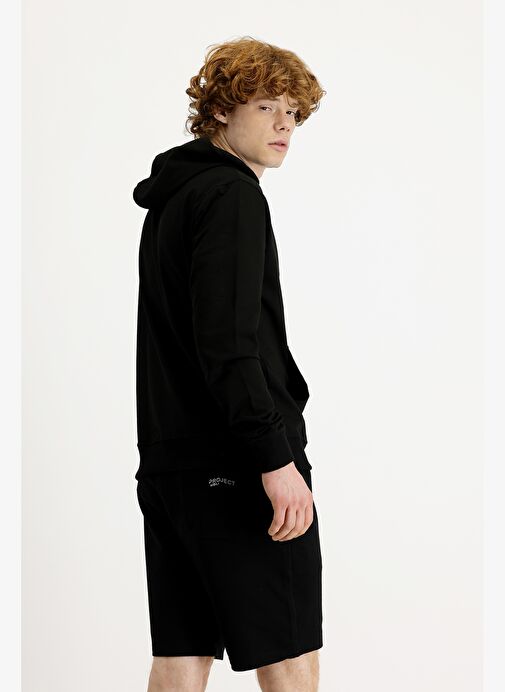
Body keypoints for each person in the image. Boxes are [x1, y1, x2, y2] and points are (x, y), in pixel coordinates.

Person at [132, 36, 326, 691]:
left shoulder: (174, 198)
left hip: (171, 466)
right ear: (219, 109)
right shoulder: (231, 195)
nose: (283, 125)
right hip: (239, 465)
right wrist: (274, 458)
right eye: (266, 106)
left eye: (292, 112)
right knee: (290, 653)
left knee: (181, 654)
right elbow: (228, 344)